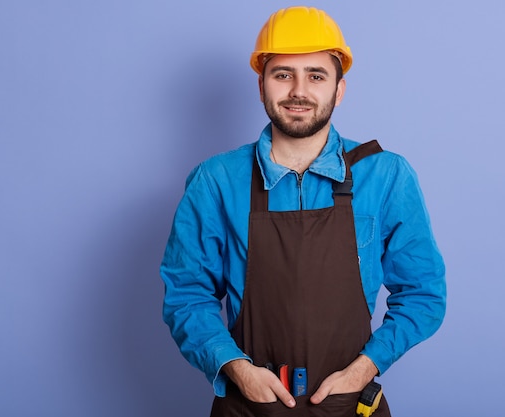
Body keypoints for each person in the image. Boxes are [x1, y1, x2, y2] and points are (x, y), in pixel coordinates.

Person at [160, 6, 446, 416]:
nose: (299, 90)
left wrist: (365, 368)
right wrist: (237, 369)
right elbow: (186, 294)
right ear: (261, 86)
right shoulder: (217, 181)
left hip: (348, 404)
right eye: (282, 75)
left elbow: (423, 293)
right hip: (250, 405)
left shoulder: (384, 176)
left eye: (316, 75)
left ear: (338, 89)